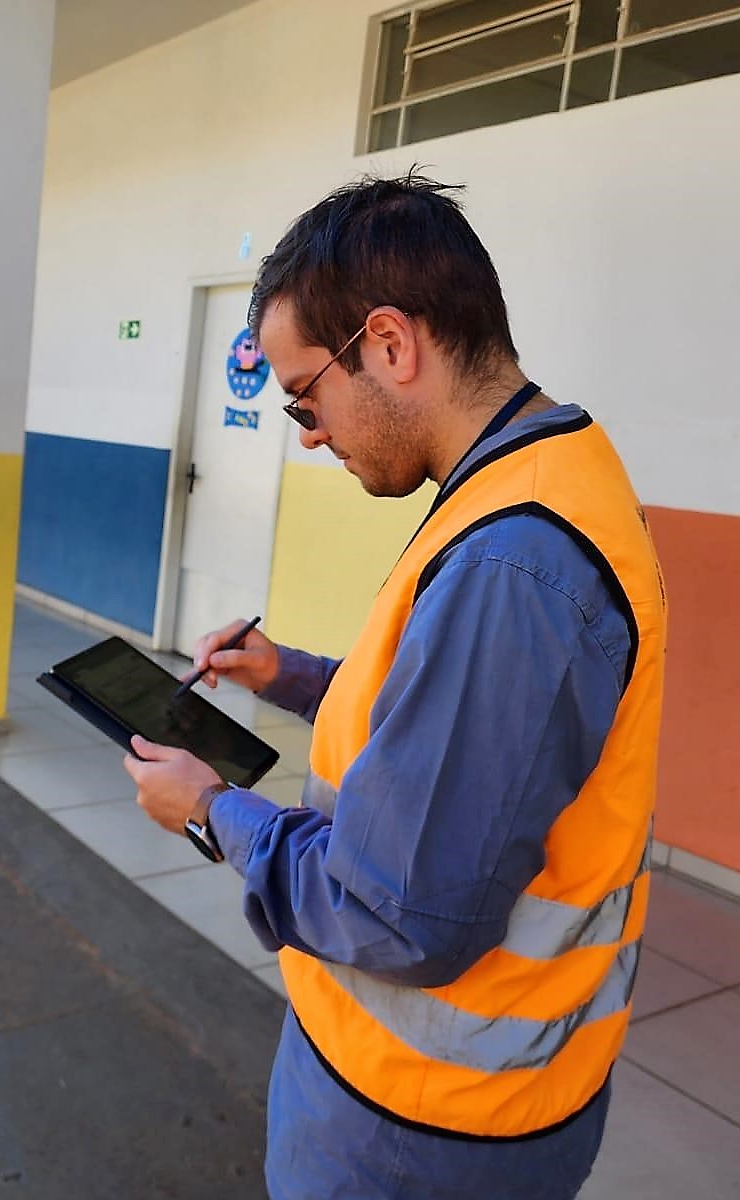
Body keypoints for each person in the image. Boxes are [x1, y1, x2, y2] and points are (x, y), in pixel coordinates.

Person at [124, 174, 667, 1200]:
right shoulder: (543, 475)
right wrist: (287, 676)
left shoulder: (512, 565)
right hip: (468, 1099)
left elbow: (397, 916)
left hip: (422, 1124)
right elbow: (448, 725)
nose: (308, 432)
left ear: (386, 344)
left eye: (303, 396)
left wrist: (209, 812)